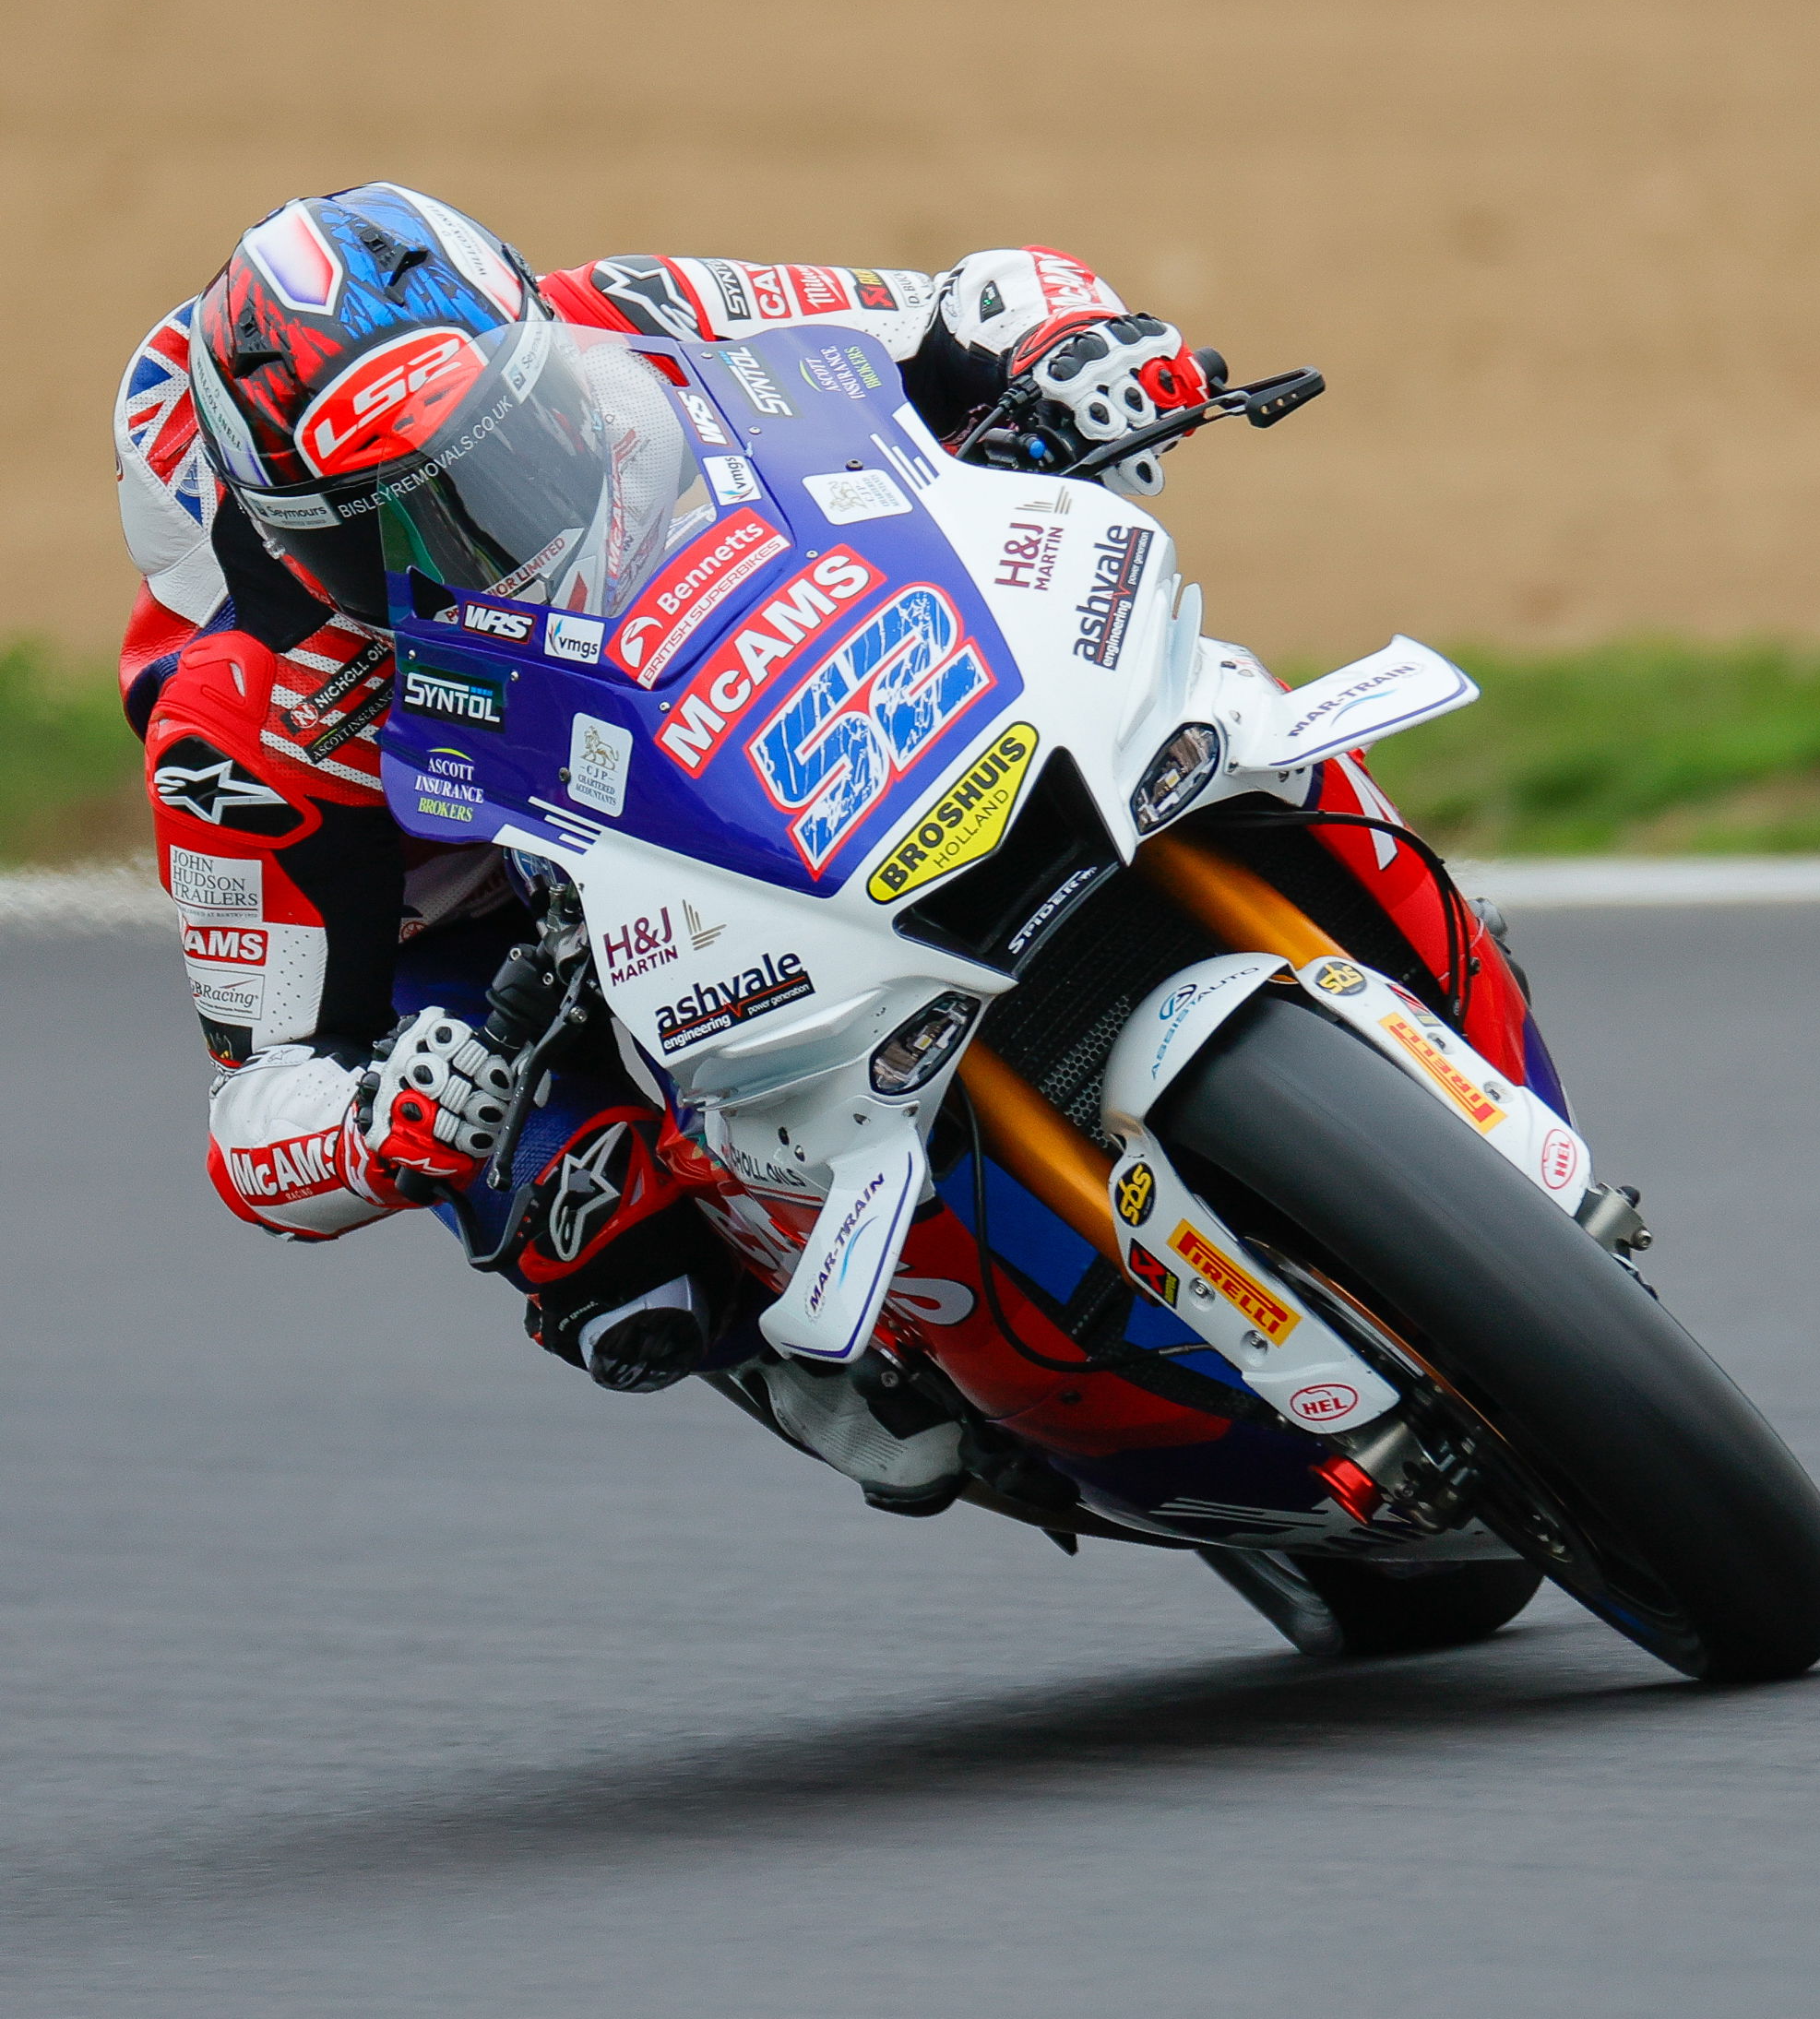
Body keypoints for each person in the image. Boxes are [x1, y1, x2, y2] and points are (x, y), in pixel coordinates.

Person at [117, 182, 1213, 1400]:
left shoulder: (625, 307)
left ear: (540, 346)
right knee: (607, 1251)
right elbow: (253, 1113)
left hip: (759, 689)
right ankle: (877, 1386)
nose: (466, 537)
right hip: (500, 923)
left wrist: (1071, 345)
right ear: (277, 540)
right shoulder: (234, 719)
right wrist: (376, 1120)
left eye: (499, 453)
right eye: (377, 532)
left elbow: (950, 308)